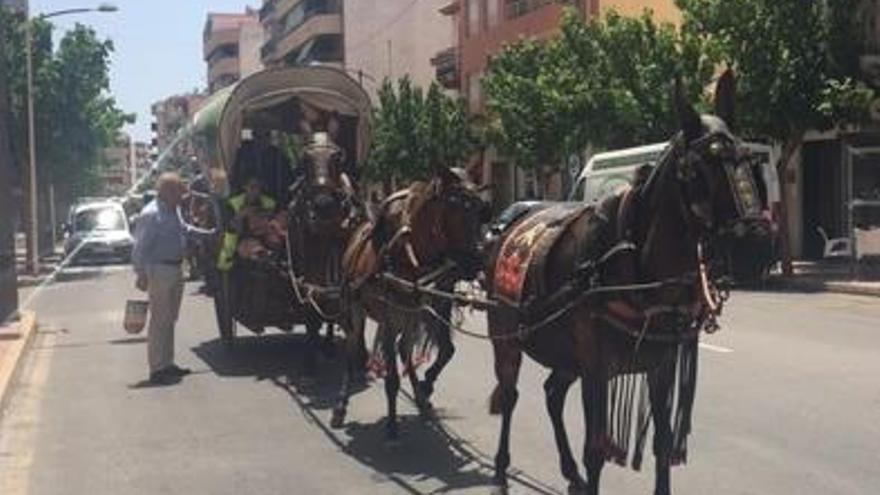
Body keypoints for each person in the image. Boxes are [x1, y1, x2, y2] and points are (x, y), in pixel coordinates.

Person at [132, 172, 191, 385]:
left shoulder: (173, 211)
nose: (181, 196)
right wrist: (140, 273)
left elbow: (183, 230)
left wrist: (206, 233)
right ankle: (157, 368)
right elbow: (140, 247)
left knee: (170, 319)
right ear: (167, 191)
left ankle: (168, 363)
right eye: (178, 191)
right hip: (159, 270)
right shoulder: (151, 214)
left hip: (175, 268)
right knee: (159, 320)